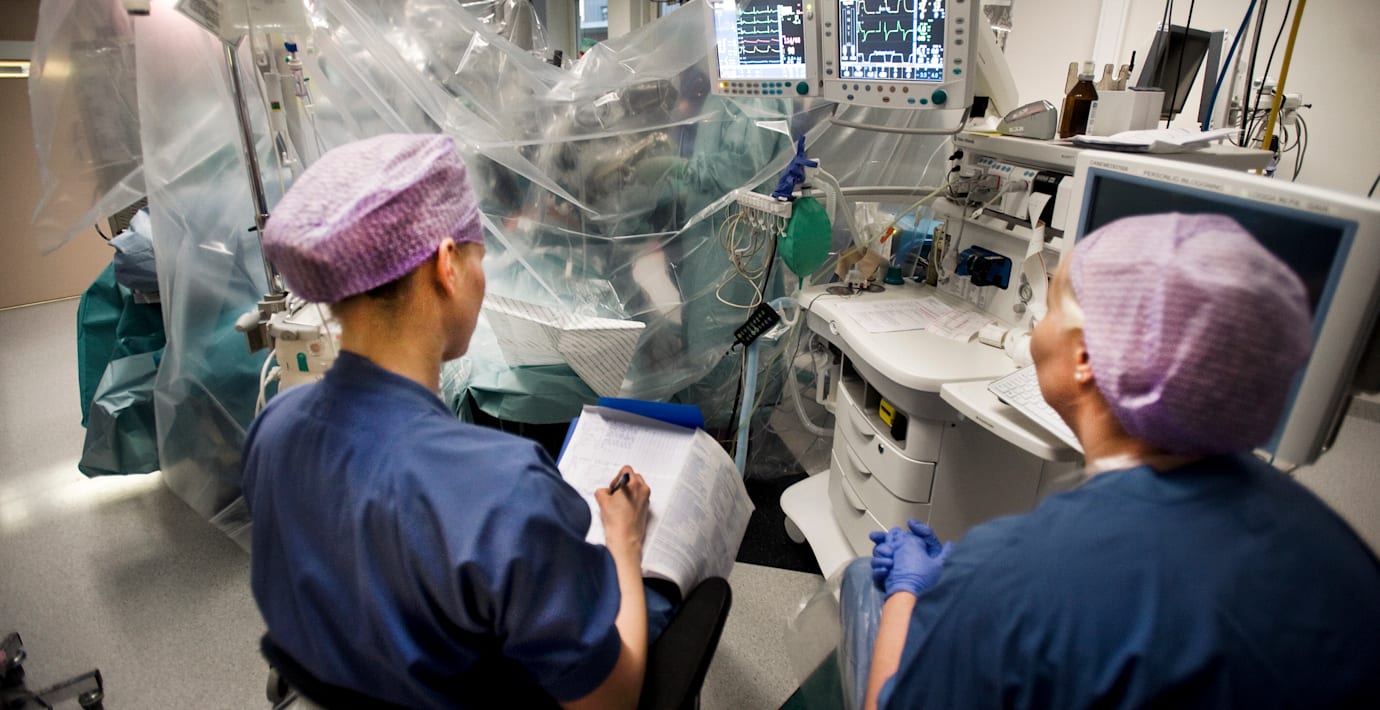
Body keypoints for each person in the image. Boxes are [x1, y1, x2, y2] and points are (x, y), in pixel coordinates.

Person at [842, 212, 1380, 709]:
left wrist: (912, 590)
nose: (1036, 330)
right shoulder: (1338, 546)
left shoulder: (1016, 575)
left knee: (866, 580)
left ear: (1084, 357)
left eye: (1051, 308)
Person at [242, 133, 664, 709]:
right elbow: (609, 703)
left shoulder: (275, 427)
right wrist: (623, 541)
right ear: (447, 266)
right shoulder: (503, 485)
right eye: (480, 259)